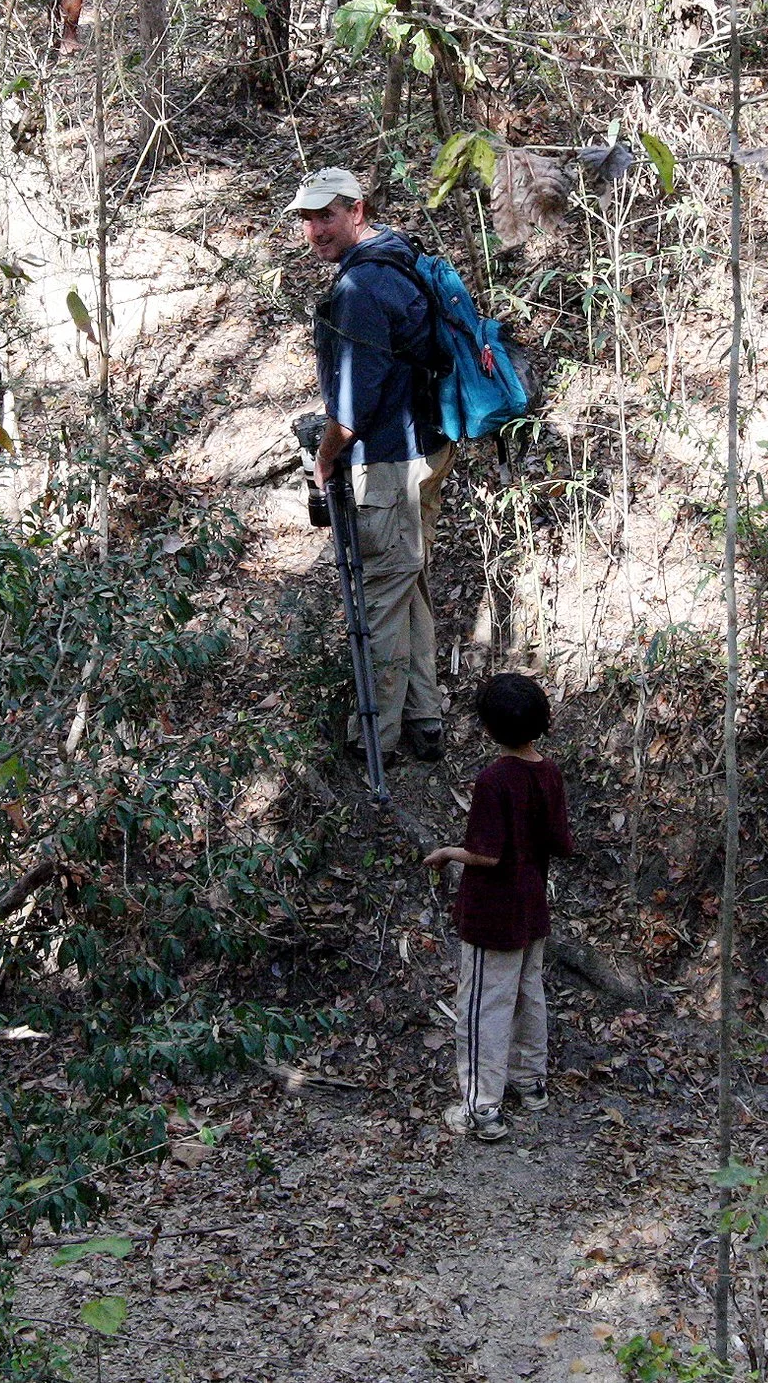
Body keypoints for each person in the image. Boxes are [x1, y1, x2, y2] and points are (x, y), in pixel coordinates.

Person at [293, 167, 454, 764]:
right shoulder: (398, 254)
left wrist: (325, 458)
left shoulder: (360, 291)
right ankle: (425, 716)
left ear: (356, 210)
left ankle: (378, 740)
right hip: (428, 450)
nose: (315, 230)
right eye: (307, 219)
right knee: (408, 580)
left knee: (381, 595)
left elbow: (351, 415)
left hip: (389, 463)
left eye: (326, 215)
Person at [424, 673, 572, 1142]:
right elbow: (560, 842)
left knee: (484, 1002)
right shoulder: (548, 772)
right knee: (529, 991)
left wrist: (448, 852)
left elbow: (487, 854)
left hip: (494, 913)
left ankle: (481, 1106)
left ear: (489, 728)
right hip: (532, 904)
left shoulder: (494, 780)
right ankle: (529, 1081)